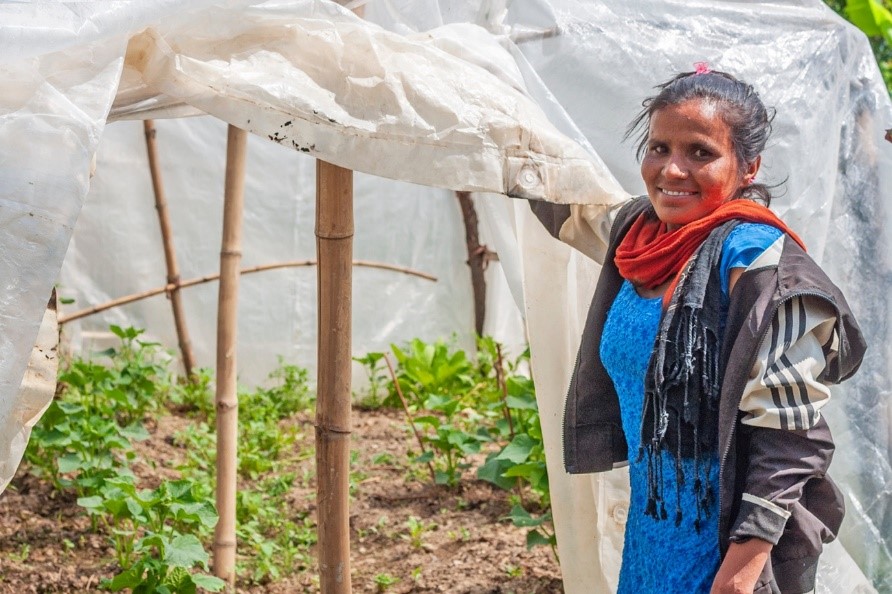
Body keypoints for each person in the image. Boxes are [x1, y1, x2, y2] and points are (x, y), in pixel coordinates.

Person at [530, 67, 867, 594]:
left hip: (725, 547)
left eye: (700, 153)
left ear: (748, 166)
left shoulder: (758, 265)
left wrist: (738, 576)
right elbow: (568, 203)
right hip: (653, 531)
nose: (672, 170)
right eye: (659, 147)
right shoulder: (642, 237)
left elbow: (791, 440)